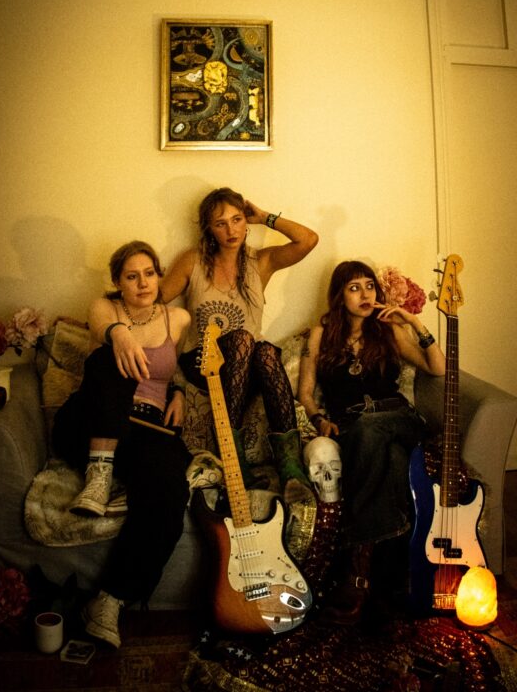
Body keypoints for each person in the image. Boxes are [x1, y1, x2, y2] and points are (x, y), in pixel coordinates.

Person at [94, 187, 319, 502]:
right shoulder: (194, 261)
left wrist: (264, 217)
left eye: (237, 219)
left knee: (265, 351)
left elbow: (308, 240)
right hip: (203, 363)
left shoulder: (261, 261)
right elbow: (152, 301)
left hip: (249, 369)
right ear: (209, 229)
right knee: (243, 340)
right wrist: (113, 320)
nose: (231, 230)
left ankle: (290, 469)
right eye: (220, 223)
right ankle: (235, 459)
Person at [51, 240, 191, 649]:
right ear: (118, 282)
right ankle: (98, 475)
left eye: (149, 273)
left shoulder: (178, 318)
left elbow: (177, 367)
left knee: (169, 490)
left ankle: (108, 601)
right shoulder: (104, 308)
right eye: (132, 276)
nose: (143, 283)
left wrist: (179, 392)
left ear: (159, 276)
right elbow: (101, 327)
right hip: (88, 421)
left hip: (144, 431)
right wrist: (120, 335)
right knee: (106, 359)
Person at [298, 259, 446, 624]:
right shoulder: (320, 334)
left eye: (369, 286)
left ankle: (355, 569)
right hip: (354, 427)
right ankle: (389, 583)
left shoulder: (389, 330)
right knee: (392, 462)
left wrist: (413, 322)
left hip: (399, 418)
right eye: (354, 288)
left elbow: (437, 367)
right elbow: (305, 393)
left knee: (370, 431)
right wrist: (319, 419)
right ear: (339, 296)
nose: (365, 294)